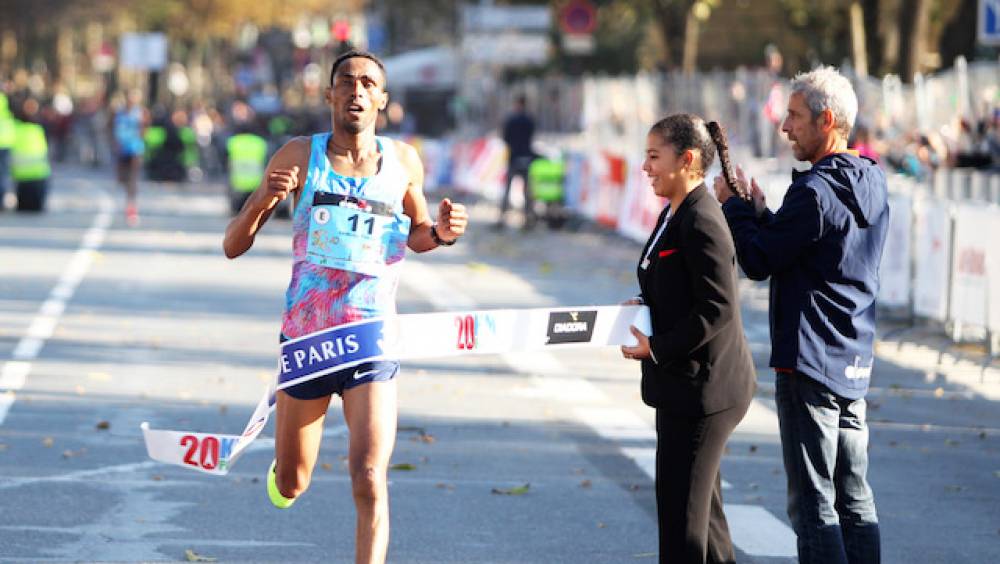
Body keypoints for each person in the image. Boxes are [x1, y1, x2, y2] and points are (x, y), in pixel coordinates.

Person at [222, 50, 467, 564]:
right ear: (330, 94)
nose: (357, 90)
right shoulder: (297, 154)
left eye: (368, 83)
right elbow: (233, 244)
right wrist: (264, 200)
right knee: (293, 482)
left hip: (370, 338)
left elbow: (418, 232)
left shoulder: (403, 161)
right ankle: (284, 476)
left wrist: (442, 233)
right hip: (308, 340)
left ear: (382, 99)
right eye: (347, 82)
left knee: (370, 476)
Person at [714, 66, 887, 564]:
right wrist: (764, 216)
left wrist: (735, 210)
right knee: (854, 499)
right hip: (852, 359)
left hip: (809, 361)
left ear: (826, 120)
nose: (785, 127)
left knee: (814, 505)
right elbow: (814, 247)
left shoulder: (814, 191)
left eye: (794, 116)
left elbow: (758, 260)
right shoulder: (871, 179)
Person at [620, 113, 755, 564]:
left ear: (687, 159)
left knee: (683, 528)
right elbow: (676, 284)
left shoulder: (702, 219)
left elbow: (718, 307)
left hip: (706, 391)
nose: (645, 167)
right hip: (682, 384)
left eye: (654, 157)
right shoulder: (675, 211)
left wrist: (656, 347)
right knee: (706, 526)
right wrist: (643, 305)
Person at [496, 94, 536, 230]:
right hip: (526, 157)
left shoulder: (511, 120)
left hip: (514, 158)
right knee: (527, 190)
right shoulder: (529, 120)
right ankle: (528, 218)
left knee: (507, 189)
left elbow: (506, 138)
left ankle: (502, 218)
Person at [111, 89, 146, 226]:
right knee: (122, 179)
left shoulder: (140, 113)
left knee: (132, 179)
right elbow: (111, 127)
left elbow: (144, 128)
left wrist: (139, 141)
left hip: (134, 149)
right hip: (121, 150)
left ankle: (131, 208)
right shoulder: (118, 113)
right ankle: (128, 199)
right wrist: (115, 142)